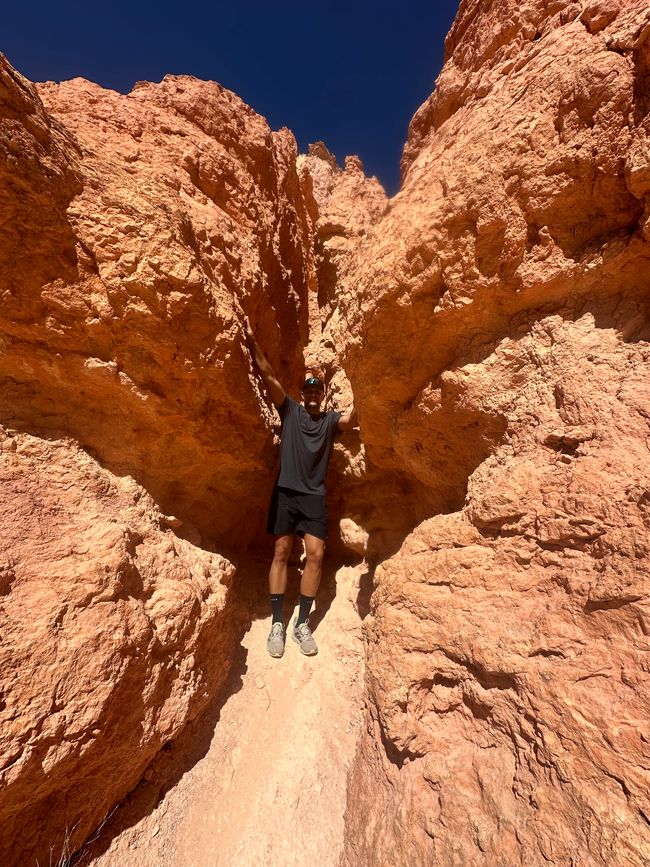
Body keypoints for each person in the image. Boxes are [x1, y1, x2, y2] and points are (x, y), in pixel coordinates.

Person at [244, 318, 357, 657]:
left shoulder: (329, 421)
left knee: (317, 556)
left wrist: (364, 375)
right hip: (286, 493)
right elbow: (268, 376)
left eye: (316, 391)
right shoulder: (290, 410)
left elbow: (355, 420)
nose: (310, 395)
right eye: (306, 390)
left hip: (314, 497)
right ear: (302, 393)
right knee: (280, 553)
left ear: (322, 397)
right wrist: (251, 341)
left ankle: (301, 624)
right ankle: (278, 622)